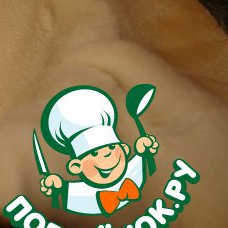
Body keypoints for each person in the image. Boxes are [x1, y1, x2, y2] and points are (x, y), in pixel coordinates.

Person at [38, 86, 159, 216]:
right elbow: (62, 196)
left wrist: (144, 151)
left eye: (112, 147)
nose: (107, 155)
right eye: (94, 153)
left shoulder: (136, 171)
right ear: (76, 166)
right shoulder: (79, 196)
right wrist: (56, 188)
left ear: (125, 149)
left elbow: (146, 165)